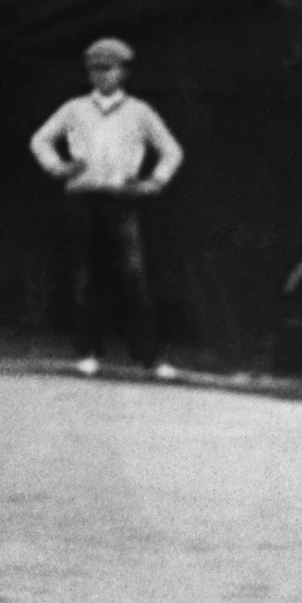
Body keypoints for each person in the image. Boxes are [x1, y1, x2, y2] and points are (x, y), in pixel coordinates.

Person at [29, 38, 184, 380]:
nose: (101, 76)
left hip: (121, 200)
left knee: (134, 277)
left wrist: (153, 182)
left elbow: (171, 150)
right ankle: (87, 352)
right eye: (94, 69)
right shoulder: (75, 109)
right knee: (86, 276)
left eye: (108, 69)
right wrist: (59, 168)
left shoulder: (139, 111)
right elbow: (40, 139)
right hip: (83, 198)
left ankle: (150, 358)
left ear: (124, 72)